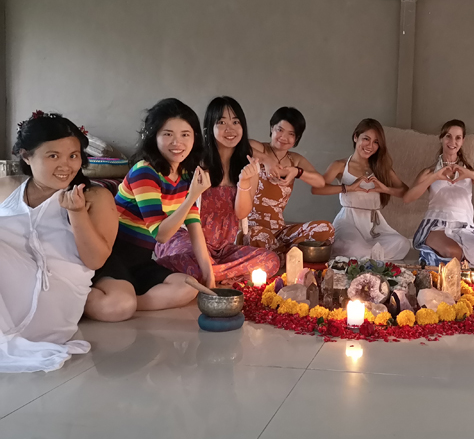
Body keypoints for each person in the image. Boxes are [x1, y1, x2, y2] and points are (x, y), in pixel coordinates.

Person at [0, 112, 117, 372]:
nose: (66, 166)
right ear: (26, 156)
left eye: (73, 156)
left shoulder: (95, 196)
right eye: (53, 156)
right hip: (8, 295)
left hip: (54, 305)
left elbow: (95, 260)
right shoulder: (6, 189)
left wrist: (77, 214)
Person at [87, 98, 212, 322]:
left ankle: (129, 302)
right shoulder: (144, 171)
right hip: (111, 256)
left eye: (185, 134)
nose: (177, 142)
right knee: (118, 306)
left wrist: (210, 277)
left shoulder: (186, 174)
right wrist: (193, 195)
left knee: (189, 287)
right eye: (168, 134)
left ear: (195, 138)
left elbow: (195, 228)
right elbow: (161, 234)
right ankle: (110, 300)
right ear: (153, 136)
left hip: (141, 261)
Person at [155, 96, 280, 284]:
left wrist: (244, 182)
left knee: (270, 260)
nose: (230, 129)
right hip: (186, 240)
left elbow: (241, 213)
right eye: (221, 122)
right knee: (194, 261)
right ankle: (222, 274)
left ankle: (209, 273)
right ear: (209, 128)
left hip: (223, 248)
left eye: (235, 122)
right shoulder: (195, 162)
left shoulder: (248, 167)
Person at [311, 118, 410, 260]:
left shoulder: (382, 168)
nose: (370, 146)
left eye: (376, 142)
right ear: (355, 137)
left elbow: (405, 192)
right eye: (366, 139)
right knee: (353, 247)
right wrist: (347, 188)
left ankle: (366, 256)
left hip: (374, 225)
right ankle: (369, 256)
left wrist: (385, 189)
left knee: (403, 243)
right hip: (348, 222)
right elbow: (316, 189)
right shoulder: (340, 165)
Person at [405, 119, 474, 267]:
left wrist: (471, 174)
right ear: (441, 138)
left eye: (458, 138)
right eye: (448, 136)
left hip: (464, 227)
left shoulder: (468, 172)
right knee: (454, 252)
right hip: (436, 225)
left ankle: (436, 258)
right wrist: (434, 177)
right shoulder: (430, 172)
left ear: (463, 141)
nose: (453, 142)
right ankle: (429, 254)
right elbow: (408, 198)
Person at [248, 107, 334, 254]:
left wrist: (297, 172)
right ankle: (286, 254)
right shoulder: (259, 148)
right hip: (253, 228)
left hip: (279, 231)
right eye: (280, 130)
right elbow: (240, 147)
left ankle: (279, 251)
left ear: (297, 138)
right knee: (256, 236)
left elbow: (320, 182)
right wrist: (267, 160)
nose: (283, 137)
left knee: (326, 228)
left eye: (291, 134)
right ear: (272, 128)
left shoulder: (295, 159)